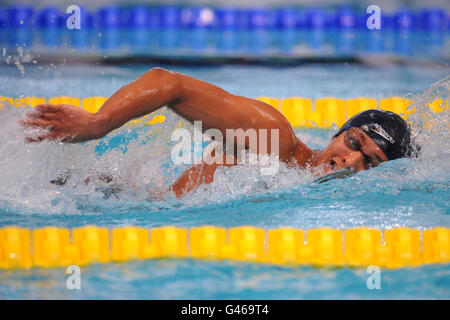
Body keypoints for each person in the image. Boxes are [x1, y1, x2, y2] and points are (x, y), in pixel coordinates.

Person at [22, 67, 417, 198]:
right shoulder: (274, 138)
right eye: (353, 143)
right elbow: (168, 83)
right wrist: (98, 123)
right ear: (339, 132)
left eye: (370, 163)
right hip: (102, 194)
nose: (349, 161)